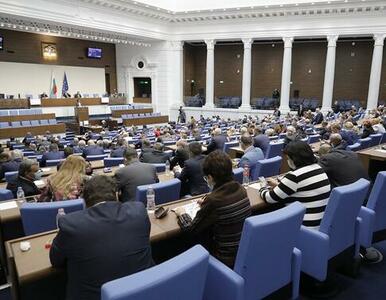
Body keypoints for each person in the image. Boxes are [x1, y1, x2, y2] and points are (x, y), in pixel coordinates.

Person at [50, 175, 153, 300]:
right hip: (144, 291)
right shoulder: (138, 210)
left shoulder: (71, 224)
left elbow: (56, 261)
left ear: (84, 201)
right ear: (116, 195)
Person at [175, 150, 251, 268]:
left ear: (210, 177)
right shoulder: (241, 189)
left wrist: (182, 214)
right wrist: (206, 204)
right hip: (242, 251)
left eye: (206, 178)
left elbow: (191, 230)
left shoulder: (214, 201)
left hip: (223, 259)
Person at [259, 141, 331, 229]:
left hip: (303, 226)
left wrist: (262, 187)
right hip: (320, 222)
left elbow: (269, 198)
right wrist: (279, 184)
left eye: (288, 158)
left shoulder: (295, 176)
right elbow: (303, 189)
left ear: (295, 159)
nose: (287, 161)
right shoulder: (319, 168)